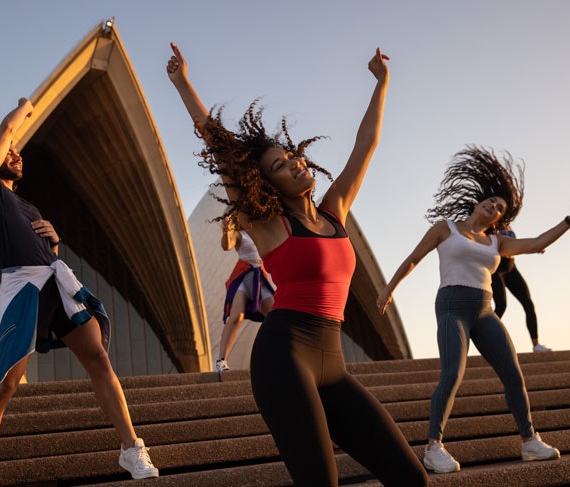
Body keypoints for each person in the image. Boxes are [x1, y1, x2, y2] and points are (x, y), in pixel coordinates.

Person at [168, 43, 428, 486]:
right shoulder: (267, 224)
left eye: (293, 158)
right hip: (284, 356)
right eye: (280, 166)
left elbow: (366, 145)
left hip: (332, 361)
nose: (294, 165)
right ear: (267, 183)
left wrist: (381, 84)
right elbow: (223, 151)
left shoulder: (334, 211)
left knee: (410, 477)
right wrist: (182, 83)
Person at [0, 98, 157, 487]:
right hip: (21, 285)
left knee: (99, 361)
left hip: (55, 280)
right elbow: (6, 132)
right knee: (6, 383)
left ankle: (131, 448)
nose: (17, 154)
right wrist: (23, 108)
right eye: (10, 151)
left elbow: (45, 248)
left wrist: (55, 240)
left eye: (17, 153)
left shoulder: (26, 203)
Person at [376, 146, 570, 474]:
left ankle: (529, 441)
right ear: (479, 202)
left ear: (499, 220)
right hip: (451, 307)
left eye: (499, 208)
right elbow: (413, 259)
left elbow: (537, 244)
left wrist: (569, 221)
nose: (492, 206)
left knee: (513, 374)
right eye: (490, 201)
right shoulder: (445, 227)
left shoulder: (496, 243)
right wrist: (388, 289)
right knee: (452, 374)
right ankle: (434, 447)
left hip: (485, 310)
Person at [216, 214, 275, 372]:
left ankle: (278, 356)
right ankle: (221, 361)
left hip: (259, 277)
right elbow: (227, 246)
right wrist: (226, 230)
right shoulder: (238, 233)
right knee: (236, 317)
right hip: (245, 275)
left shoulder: (259, 230)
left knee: (275, 316)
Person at [491, 224, 550, 352]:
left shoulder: (508, 226)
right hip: (496, 270)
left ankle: (536, 344)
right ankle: (487, 339)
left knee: (528, 304)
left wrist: (533, 248)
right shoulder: (491, 226)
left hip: (511, 268)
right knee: (501, 306)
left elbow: (517, 247)